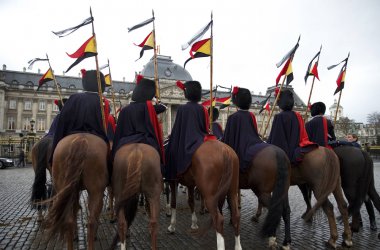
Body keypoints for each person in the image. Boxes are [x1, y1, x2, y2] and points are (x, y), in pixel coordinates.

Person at [51, 69, 110, 164]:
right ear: (100, 85)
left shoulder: (74, 98)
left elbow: (63, 121)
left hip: (71, 133)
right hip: (96, 135)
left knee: (55, 153)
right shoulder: (103, 101)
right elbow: (104, 125)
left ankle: (52, 161)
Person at [165, 80, 215, 181]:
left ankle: (171, 176)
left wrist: (171, 136)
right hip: (200, 139)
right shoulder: (203, 109)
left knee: (169, 152)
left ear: (187, 93)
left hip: (185, 140)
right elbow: (205, 127)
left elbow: (177, 128)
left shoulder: (182, 108)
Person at [112, 77, 166, 164]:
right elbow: (163, 107)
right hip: (146, 140)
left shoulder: (125, 110)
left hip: (126, 140)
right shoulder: (150, 108)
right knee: (158, 156)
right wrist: (155, 98)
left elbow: (119, 132)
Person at [267, 89, 317, 164]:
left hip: (285, 153)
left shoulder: (279, 116)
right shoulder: (297, 115)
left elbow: (276, 139)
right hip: (297, 148)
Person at [222, 87, 263, 171]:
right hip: (253, 143)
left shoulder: (232, 117)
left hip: (240, 148)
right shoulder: (251, 115)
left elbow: (228, 140)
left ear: (236, 101)